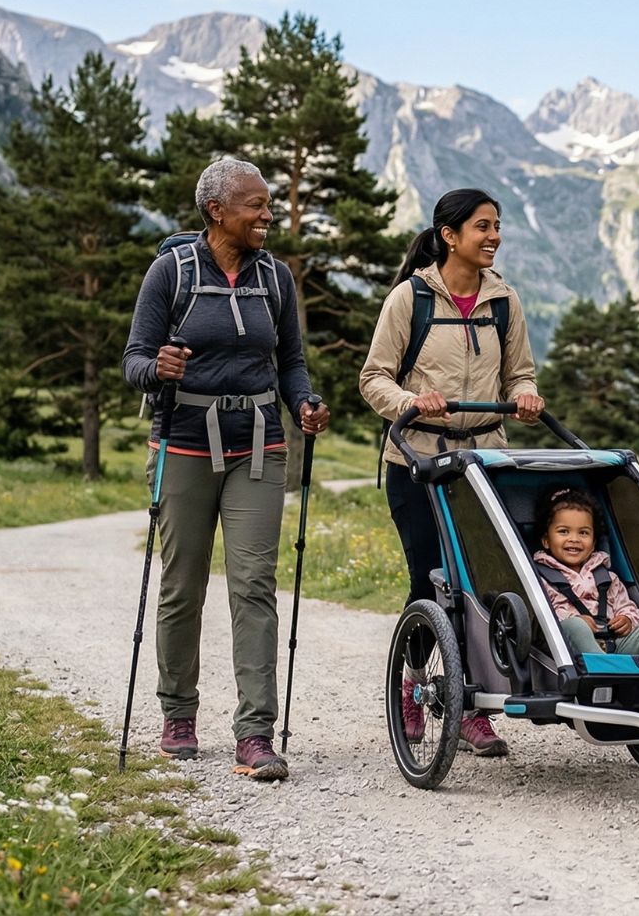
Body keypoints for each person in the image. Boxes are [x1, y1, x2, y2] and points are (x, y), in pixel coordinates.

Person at [121, 157, 329, 782]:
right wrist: (158, 368)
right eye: (255, 205)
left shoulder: (276, 278)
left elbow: (291, 362)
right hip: (184, 443)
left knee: (253, 585)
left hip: (261, 443)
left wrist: (305, 402)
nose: (268, 214)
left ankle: (255, 733)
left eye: (268, 204)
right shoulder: (171, 272)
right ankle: (178, 714)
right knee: (183, 584)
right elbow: (133, 359)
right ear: (216, 210)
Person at [360, 187, 542, 757]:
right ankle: (415, 688)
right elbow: (373, 379)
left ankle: (472, 706)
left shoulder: (504, 302)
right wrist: (411, 403)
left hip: (482, 464)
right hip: (417, 463)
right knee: (431, 581)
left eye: (497, 227)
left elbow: (521, 374)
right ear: (449, 236)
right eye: (483, 227)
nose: (494, 237)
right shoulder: (408, 300)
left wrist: (527, 395)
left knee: (484, 585)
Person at [530, 488, 639, 656]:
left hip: (615, 645)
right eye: (564, 531)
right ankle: (604, 675)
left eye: (583, 533)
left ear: (593, 543)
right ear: (546, 541)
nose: (574, 539)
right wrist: (574, 620)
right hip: (569, 651)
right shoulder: (540, 580)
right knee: (576, 627)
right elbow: (540, 620)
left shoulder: (607, 577)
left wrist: (627, 619)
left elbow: (626, 606)